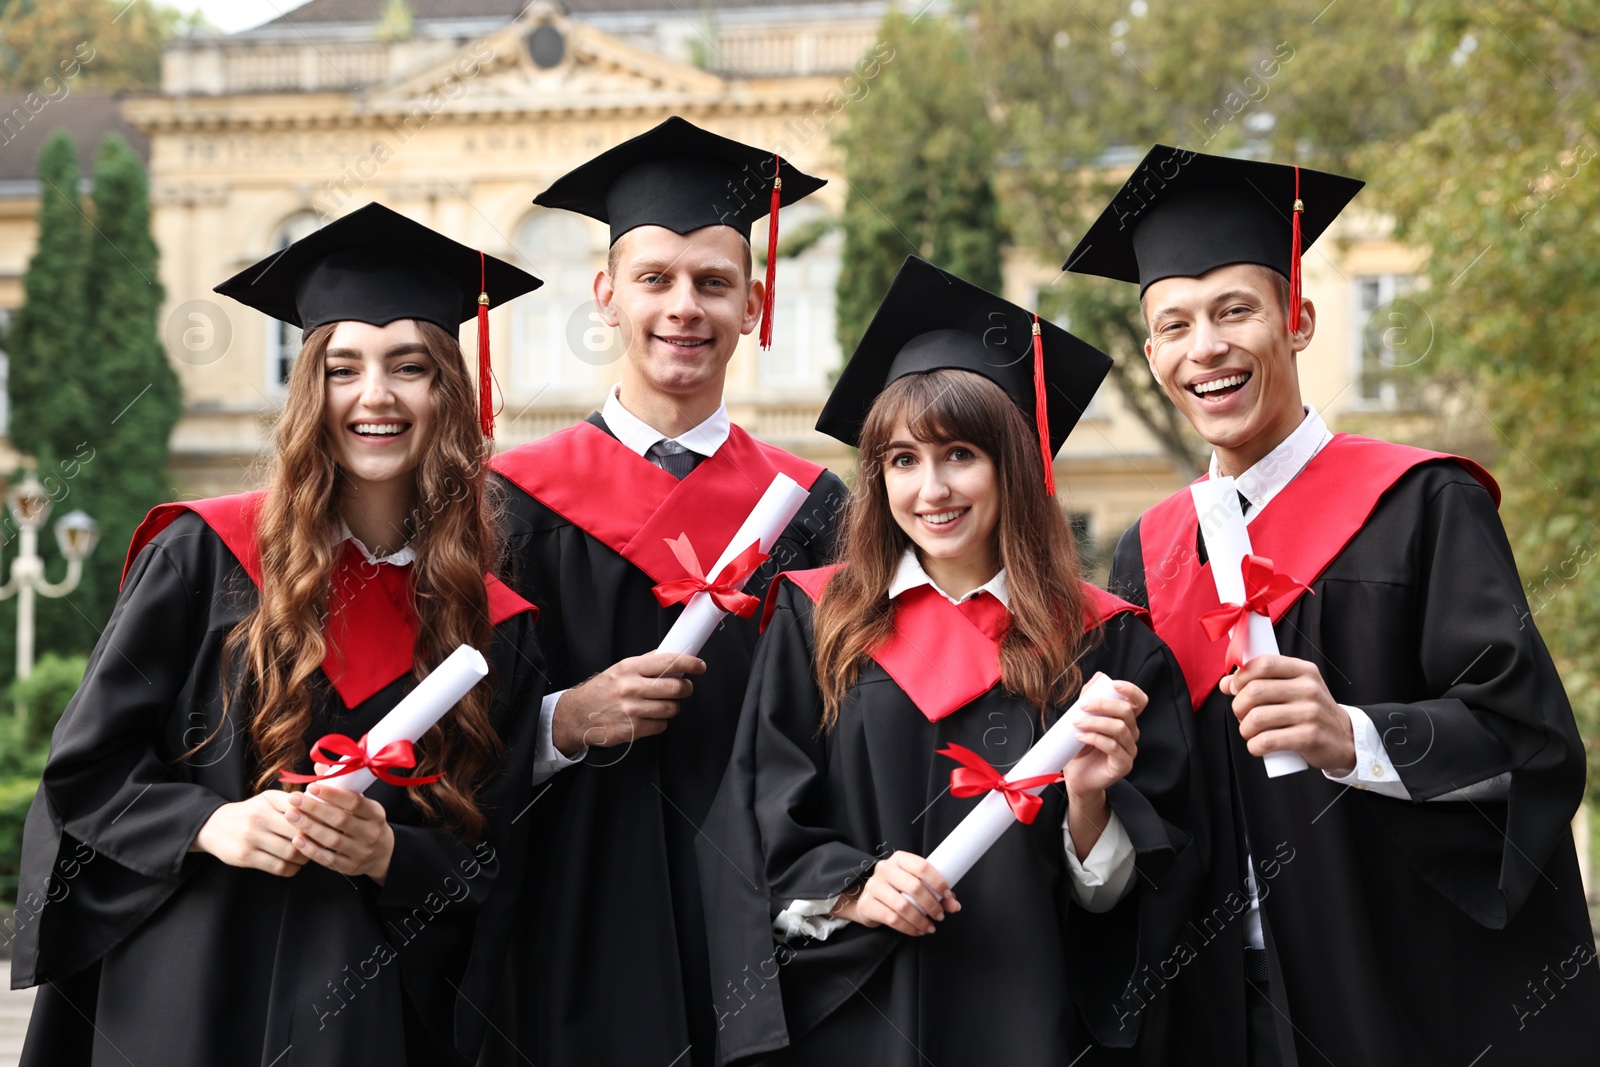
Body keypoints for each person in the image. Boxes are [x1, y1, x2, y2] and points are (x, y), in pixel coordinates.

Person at [1067, 145, 1600, 1065]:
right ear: (1151, 352)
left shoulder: (1424, 506)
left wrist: (1355, 735)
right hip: (1218, 1010)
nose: (1208, 348)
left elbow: (1532, 745)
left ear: (1299, 318)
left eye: (1236, 311)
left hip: (1401, 997)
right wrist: (1089, 801)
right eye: (1176, 324)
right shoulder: (1149, 555)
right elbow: (1156, 813)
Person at [9, 203, 547, 1067]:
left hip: (363, 1017)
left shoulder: (487, 622)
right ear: (310, 391)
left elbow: (496, 861)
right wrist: (209, 823)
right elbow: (86, 770)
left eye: (409, 366)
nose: (375, 395)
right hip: (185, 990)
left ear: (448, 389)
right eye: (343, 368)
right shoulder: (203, 555)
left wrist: (388, 854)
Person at [696, 256, 1203, 1066]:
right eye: (901, 459)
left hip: (1030, 1024)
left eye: (960, 454)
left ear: (1016, 464)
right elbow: (755, 829)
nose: (930, 488)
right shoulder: (816, 619)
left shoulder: (1105, 644)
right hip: (850, 1026)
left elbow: (1133, 898)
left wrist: (1088, 804)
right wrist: (856, 885)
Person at [481, 117, 848, 1067]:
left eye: (713, 282)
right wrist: (563, 718)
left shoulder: (814, 513)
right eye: (655, 279)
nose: (684, 306)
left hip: (768, 925)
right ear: (606, 295)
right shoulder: (511, 505)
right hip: (574, 917)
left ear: (753, 303)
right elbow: (448, 730)